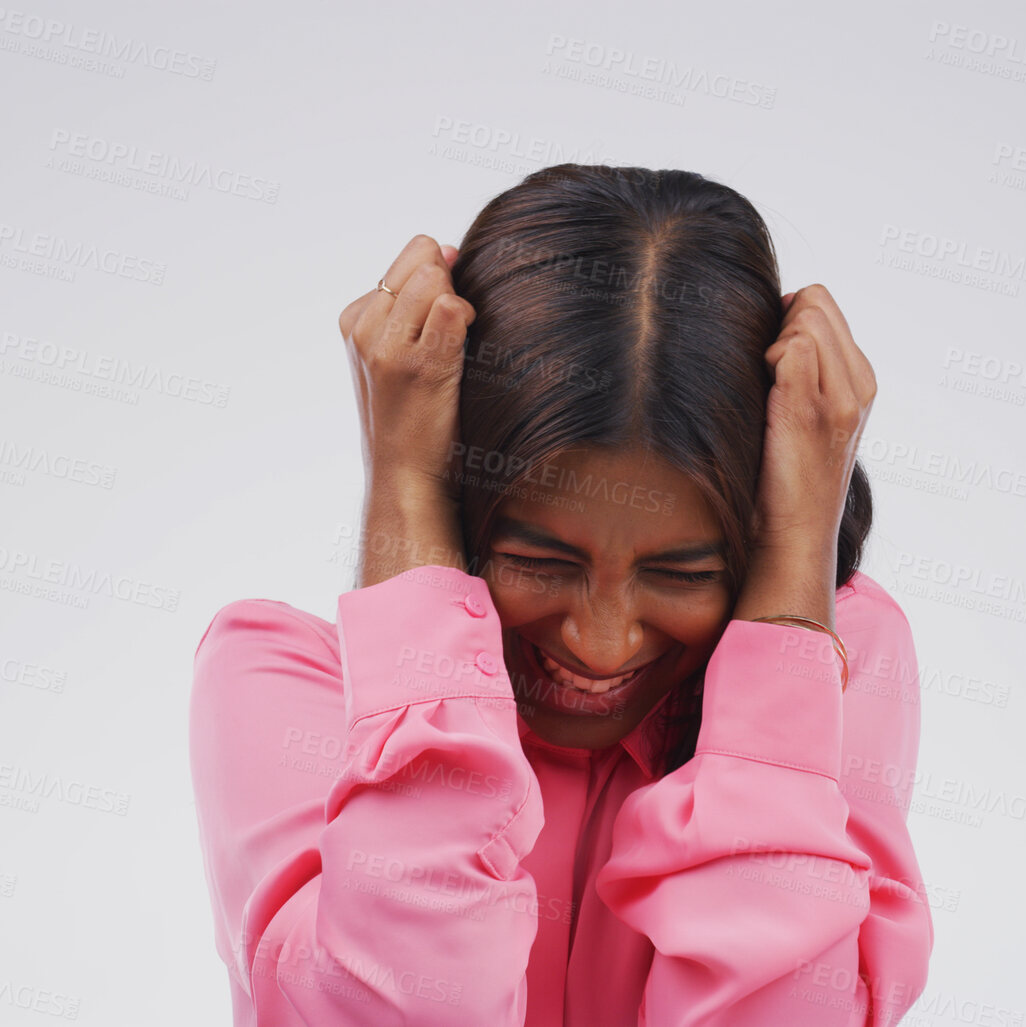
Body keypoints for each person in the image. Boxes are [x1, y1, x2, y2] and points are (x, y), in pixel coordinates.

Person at [189, 164, 933, 1025]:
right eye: (538, 559)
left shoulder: (837, 664)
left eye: (682, 571)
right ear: (455, 511)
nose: (603, 642)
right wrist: (403, 478)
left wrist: (798, 563)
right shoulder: (275, 684)